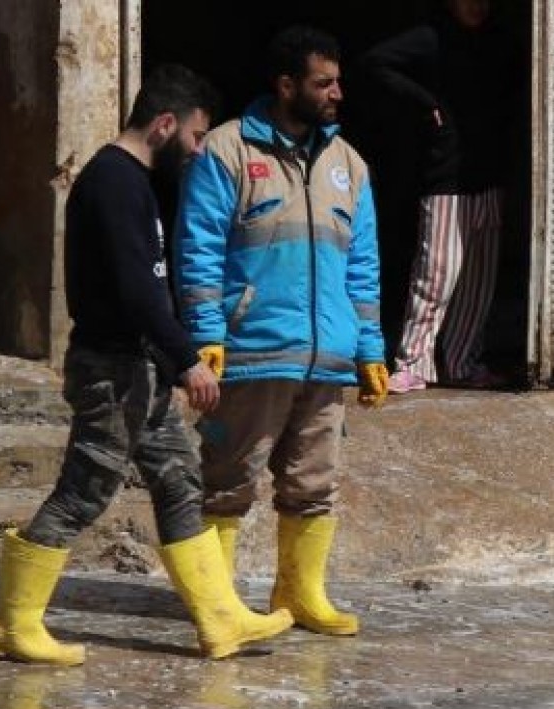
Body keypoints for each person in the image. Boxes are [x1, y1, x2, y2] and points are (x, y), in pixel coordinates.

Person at [0, 64, 295, 666]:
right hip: (113, 369)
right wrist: (187, 361)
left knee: (179, 478)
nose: (201, 151)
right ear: (165, 124)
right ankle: (12, 623)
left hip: (139, 366)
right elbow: (137, 290)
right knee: (84, 491)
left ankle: (219, 618)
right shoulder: (113, 182)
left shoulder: (132, 182)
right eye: (198, 137)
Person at [178, 26, 389, 639]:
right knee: (228, 482)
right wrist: (207, 333)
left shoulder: (349, 164)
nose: (337, 94)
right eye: (324, 83)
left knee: (314, 483)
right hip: (252, 351)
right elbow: (199, 250)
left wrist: (370, 349)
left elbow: (364, 265)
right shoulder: (226, 152)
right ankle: (217, 604)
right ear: (286, 85)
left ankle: (300, 594)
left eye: (338, 82)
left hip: (326, 358)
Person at [356, 0, 519, 392]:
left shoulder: (499, 40)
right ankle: (413, 360)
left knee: (478, 279)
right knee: (437, 273)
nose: (477, 6)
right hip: (447, 177)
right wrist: (426, 103)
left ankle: (463, 361)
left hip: (490, 174)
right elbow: (375, 62)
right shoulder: (432, 37)